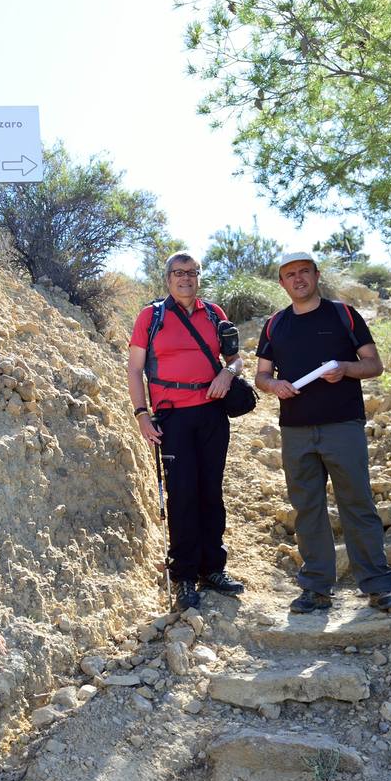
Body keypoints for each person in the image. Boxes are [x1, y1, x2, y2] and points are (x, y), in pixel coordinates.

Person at [254, 252, 391, 614]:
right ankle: (316, 589)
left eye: (304, 271)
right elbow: (261, 376)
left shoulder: (343, 314)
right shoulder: (275, 324)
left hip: (342, 425)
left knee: (357, 502)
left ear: (316, 275)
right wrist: (276, 386)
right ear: (282, 283)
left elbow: (374, 365)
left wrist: (345, 369)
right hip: (295, 430)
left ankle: (379, 586)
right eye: (290, 274)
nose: (298, 279)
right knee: (307, 509)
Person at [127, 252, 245, 611]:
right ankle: (184, 576)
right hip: (172, 417)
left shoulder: (214, 313)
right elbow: (134, 369)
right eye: (179, 273)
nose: (186, 279)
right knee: (181, 495)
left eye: (192, 273)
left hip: (212, 414)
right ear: (168, 279)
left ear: (198, 277)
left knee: (211, 490)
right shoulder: (152, 316)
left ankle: (213, 568)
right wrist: (141, 415)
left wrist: (229, 373)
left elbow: (236, 358)